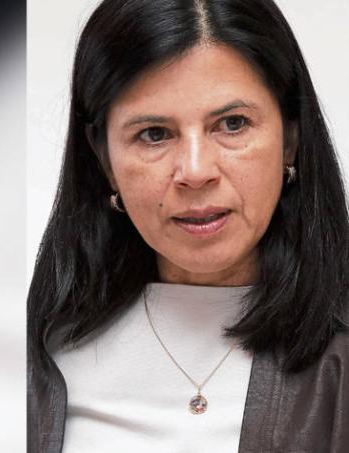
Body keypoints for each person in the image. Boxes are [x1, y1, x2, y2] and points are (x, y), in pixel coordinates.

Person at [27, 0, 349, 452]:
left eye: (232, 124)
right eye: (154, 134)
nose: (195, 172)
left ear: (290, 139)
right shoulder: (36, 358)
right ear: (105, 160)